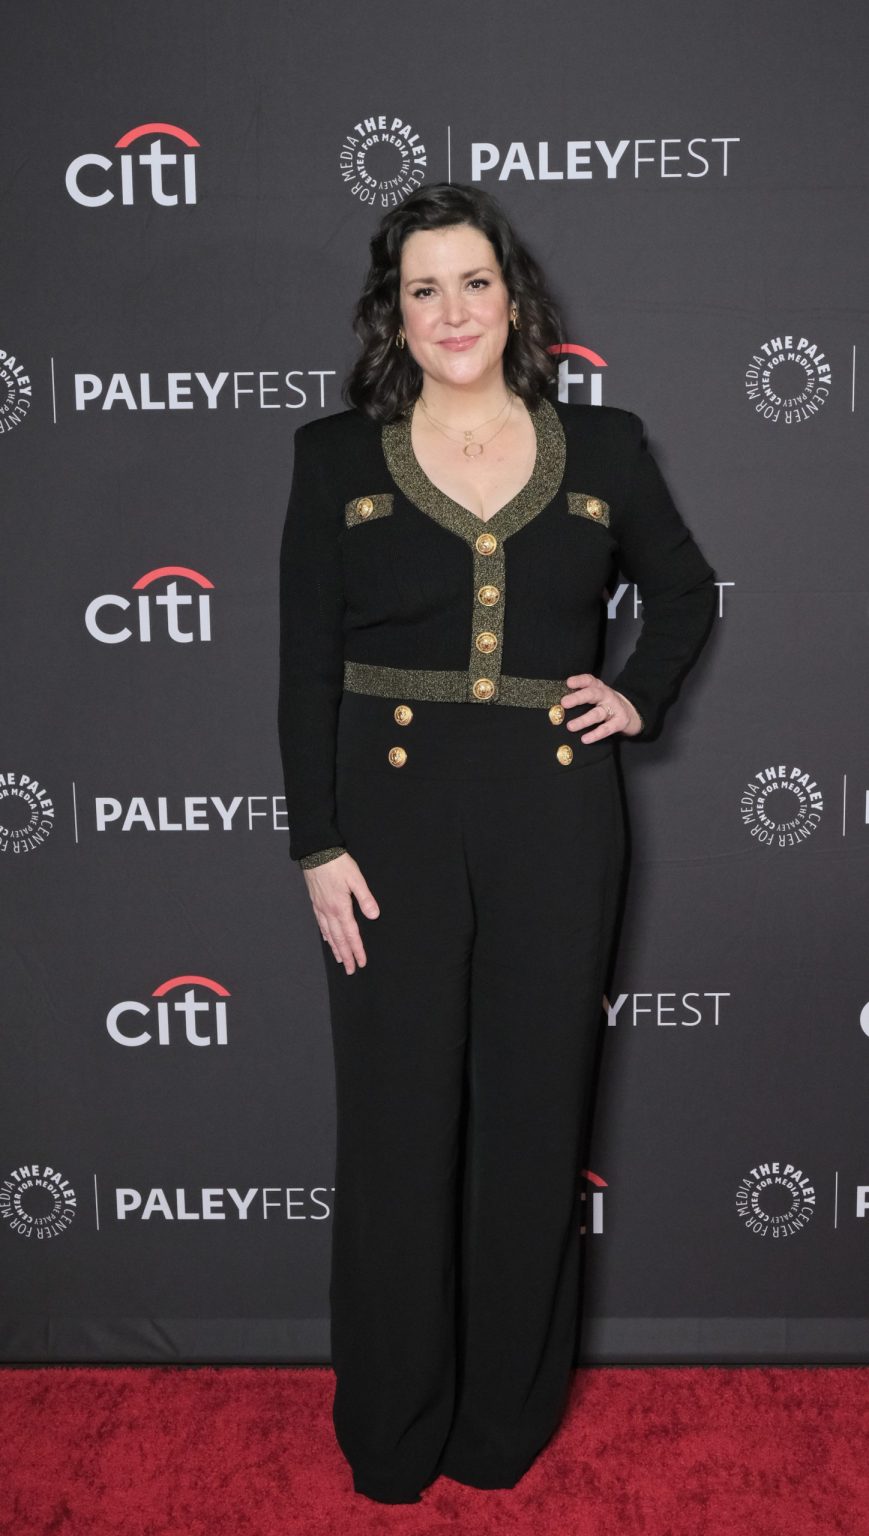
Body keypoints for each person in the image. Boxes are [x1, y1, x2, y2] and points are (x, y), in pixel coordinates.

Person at [277, 181, 716, 1504]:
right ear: (391, 315)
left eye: (473, 282)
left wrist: (637, 688)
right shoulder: (334, 456)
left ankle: (501, 1426)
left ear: (511, 299)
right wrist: (315, 845)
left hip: (554, 817)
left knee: (531, 1127)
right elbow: (302, 671)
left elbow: (685, 590)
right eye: (423, 288)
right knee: (398, 1131)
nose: (452, 310)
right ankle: (392, 1432)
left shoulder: (609, 445)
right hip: (389, 831)